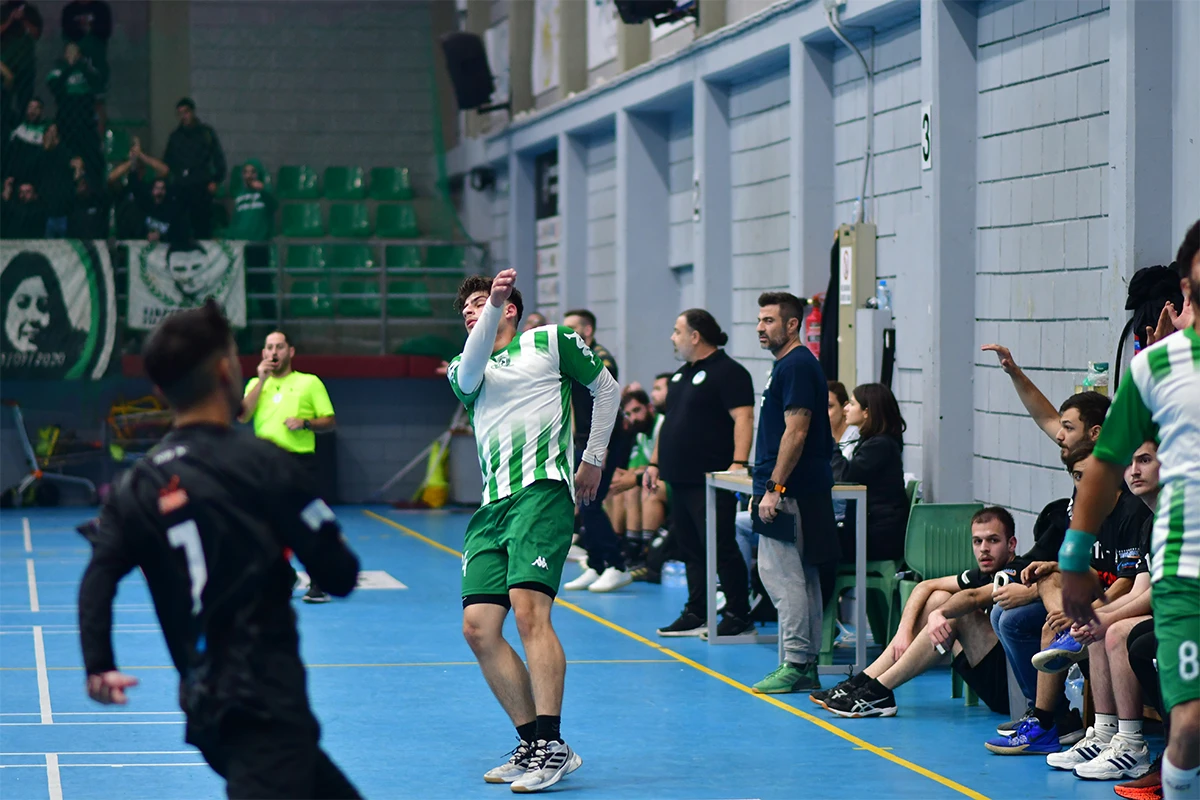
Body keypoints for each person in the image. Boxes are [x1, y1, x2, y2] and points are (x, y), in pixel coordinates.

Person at [75, 299, 363, 799]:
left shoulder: (136, 484)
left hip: (204, 702)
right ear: (227, 371)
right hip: (265, 698)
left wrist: (98, 663)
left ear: (161, 391)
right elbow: (338, 573)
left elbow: (98, 577)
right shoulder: (263, 463)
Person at [447, 269, 620, 792]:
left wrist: (592, 458)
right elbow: (473, 366)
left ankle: (550, 743)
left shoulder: (549, 341)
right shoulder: (464, 365)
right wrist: (490, 305)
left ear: (513, 309)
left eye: (482, 303)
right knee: (478, 627)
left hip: (542, 491)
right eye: (467, 311)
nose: (473, 314)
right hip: (492, 506)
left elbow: (605, 389)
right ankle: (533, 744)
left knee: (528, 612)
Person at [1060, 221, 1200, 800]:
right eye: (1193, 291)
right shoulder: (1156, 368)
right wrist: (1073, 557)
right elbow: (1103, 465)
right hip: (1185, 572)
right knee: (1188, 724)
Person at [813, 507, 1027, 717]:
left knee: (957, 612)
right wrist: (903, 633)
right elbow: (924, 586)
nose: (984, 549)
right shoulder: (983, 573)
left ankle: (878, 691)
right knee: (938, 597)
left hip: (1012, 691)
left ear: (1011, 544)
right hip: (990, 676)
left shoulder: (1016, 571)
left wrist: (939, 613)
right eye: (977, 541)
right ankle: (862, 682)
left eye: (993, 540)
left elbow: (972, 598)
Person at [645, 309, 756, 638]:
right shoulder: (680, 377)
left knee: (720, 545)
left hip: (711, 479)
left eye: (677, 331)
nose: (672, 337)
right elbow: (667, 424)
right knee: (689, 545)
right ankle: (698, 610)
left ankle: (738, 612)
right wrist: (654, 463)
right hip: (679, 476)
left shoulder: (730, 372)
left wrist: (738, 462)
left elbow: (744, 418)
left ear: (695, 336)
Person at [749, 292, 838, 693]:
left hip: (792, 493)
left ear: (791, 324)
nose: (759, 328)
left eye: (769, 320)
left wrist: (774, 488)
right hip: (801, 490)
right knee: (803, 579)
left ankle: (797, 662)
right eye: (760, 320)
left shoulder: (798, 365)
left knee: (785, 579)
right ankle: (807, 664)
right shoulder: (789, 366)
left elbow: (796, 431)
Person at [240, 329, 337, 603]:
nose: (273, 352)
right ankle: (285, 574)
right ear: (263, 353)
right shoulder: (254, 385)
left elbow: (329, 421)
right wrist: (260, 379)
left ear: (290, 351)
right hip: (263, 464)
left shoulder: (309, 383)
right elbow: (243, 415)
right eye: (269, 347)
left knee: (306, 523)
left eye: (279, 347)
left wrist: (305, 422)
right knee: (262, 526)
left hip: (299, 462)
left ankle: (319, 582)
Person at [560, 308, 629, 593]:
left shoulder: (601, 360)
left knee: (592, 501)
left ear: (587, 331)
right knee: (584, 502)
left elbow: (605, 402)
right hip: (583, 439)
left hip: (605, 440)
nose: (566, 335)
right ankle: (597, 562)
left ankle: (617, 565)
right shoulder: (576, 356)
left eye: (572, 329)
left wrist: (599, 453)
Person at [831, 382, 910, 562]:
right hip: (870, 528)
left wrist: (829, 443)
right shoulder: (876, 442)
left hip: (877, 537)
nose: (846, 409)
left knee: (816, 546)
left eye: (852, 404)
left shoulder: (880, 445)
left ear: (867, 411)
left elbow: (846, 477)